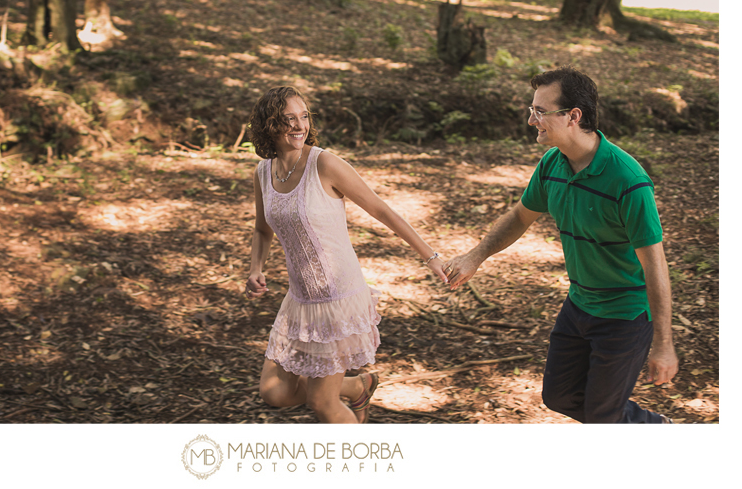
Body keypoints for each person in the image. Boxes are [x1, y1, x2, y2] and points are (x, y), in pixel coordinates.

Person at [439, 66, 679, 424]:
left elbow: (655, 266)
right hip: (580, 303)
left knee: (601, 415)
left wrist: (663, 343)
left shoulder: (627, 181)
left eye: (540, 111)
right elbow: (520, 216)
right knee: (559, 395)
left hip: (624, 315)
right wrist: (476, 256)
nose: (532, 120)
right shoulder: (553, 164)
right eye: (531, 110)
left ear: (573, 116)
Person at [245, 86, 447, 423]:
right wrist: (255, 268)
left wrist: (431, 256)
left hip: (337, 298)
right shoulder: (263, 173)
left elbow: (382, 210)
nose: (299, 126)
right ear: (269, 125)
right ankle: (357, 387)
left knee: (322, 403)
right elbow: (262, 228)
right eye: (288, 119)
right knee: (273, 392)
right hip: (300, 300)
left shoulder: (324, 164)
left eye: (304, 117)